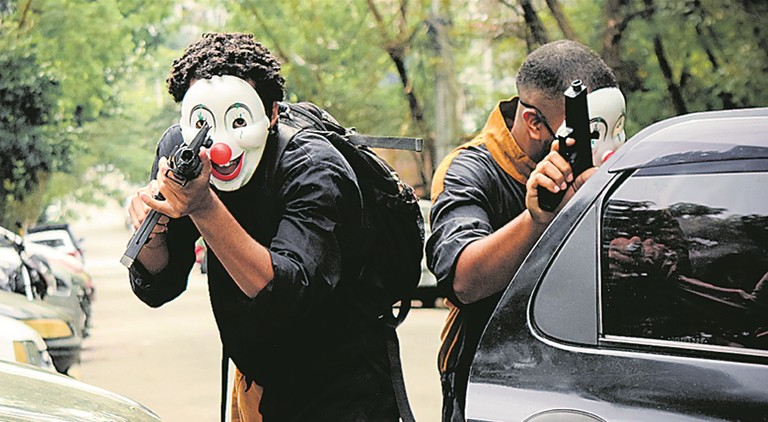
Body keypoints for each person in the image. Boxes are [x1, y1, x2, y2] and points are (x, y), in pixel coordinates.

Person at [125, 32, 400, 421]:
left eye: (238, 120)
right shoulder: (181, 151)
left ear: (272, 113)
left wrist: (203, 206)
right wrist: (153, 236)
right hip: (257, 384)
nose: (217, 144)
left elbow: (288, 294)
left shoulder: (314, 169)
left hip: (343, 389)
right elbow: (161, 284)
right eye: (202, 120)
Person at [425, 40, 627, 421]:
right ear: (535, 122)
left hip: (581, 376)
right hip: (492, 381)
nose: (610, 147)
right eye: (592, 133)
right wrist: (537, 219)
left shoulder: (605, 173)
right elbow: (463, 279)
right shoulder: (468, 171)